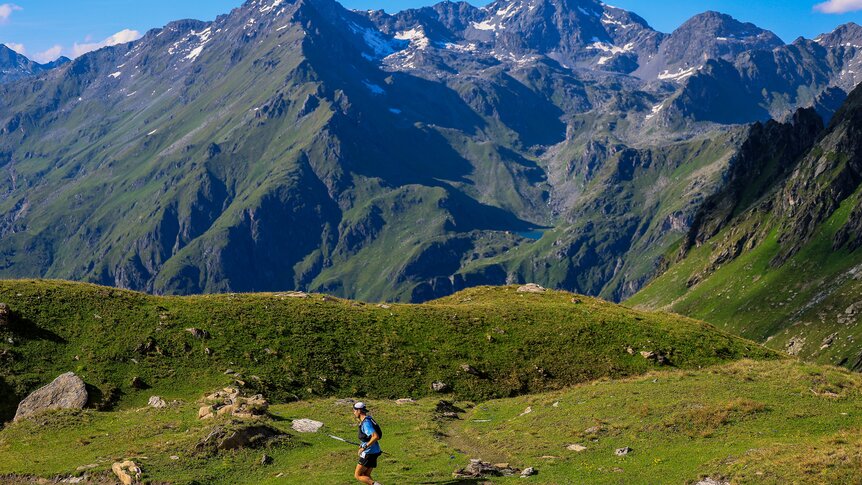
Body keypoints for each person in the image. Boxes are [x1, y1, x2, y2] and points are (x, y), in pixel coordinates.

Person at [353, 402, 383, 485]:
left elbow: (375, 436)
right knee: (366, 475)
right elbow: (369, 437)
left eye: (354, 410)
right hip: (375, 451)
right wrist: (363, 444)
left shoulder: (366, 423)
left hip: (369, 453)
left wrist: (364, 447)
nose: (354, 412)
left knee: (358, 475)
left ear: (359, 411)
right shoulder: (368, 419)